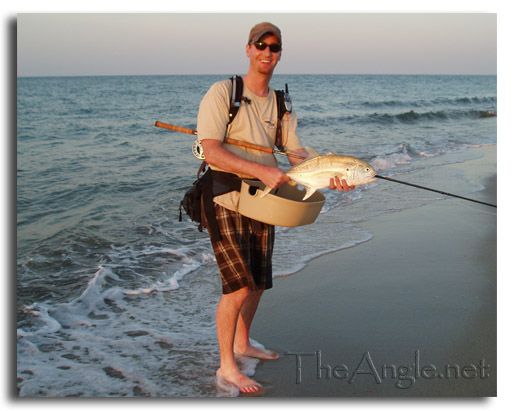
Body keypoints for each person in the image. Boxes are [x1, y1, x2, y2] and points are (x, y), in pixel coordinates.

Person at [196, 22, 352, 394]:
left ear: (280, 53)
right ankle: (227, 367)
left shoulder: (281, 103)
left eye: (275, 47)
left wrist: (329, 170)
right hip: (223, 195)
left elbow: (295, 153)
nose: (267, 52)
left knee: (258, 283)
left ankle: (242, 342)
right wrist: (261, 170)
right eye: (260, 45)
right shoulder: (223, 93)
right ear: (248, 49)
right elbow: (211, 148)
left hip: (265, 202)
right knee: (236, 287)